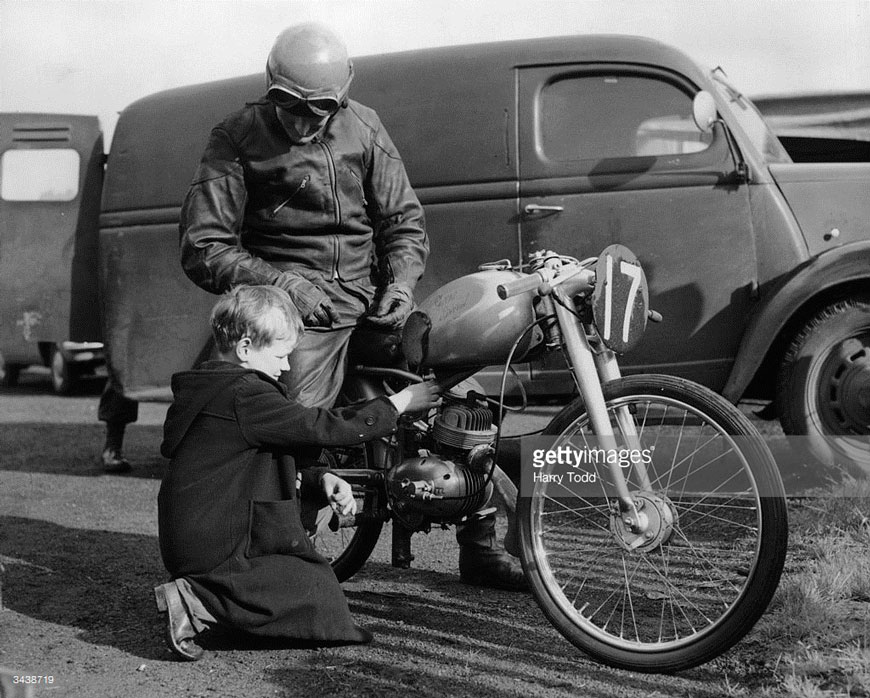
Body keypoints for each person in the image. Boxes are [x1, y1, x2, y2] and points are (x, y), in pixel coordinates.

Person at [178, 22, 526, 592]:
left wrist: (402, 283)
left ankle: (480, 542)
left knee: (459, 392)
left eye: (320, 109)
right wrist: (283, 284)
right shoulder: (235, 136)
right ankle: (282, 562)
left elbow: (403, 222)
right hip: (293, 316)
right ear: (271, 87)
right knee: (292, 433)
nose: (303, 121)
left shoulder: (363, 125)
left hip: (370, 303)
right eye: (289, 105)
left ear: (342, 96)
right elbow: (203, 245)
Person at [155, 285, 439, 660]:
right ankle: (195, 601)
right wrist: (398, 403)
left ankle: (205, 595)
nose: (286, 367)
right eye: (280, 355)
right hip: (217, 546)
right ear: (244, 350)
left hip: (203, 532)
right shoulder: (244, 393)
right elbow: (318, 426)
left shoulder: (215, 387)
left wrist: (322, 477)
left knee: (313, 585)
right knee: (317, 596)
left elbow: (270, 450)